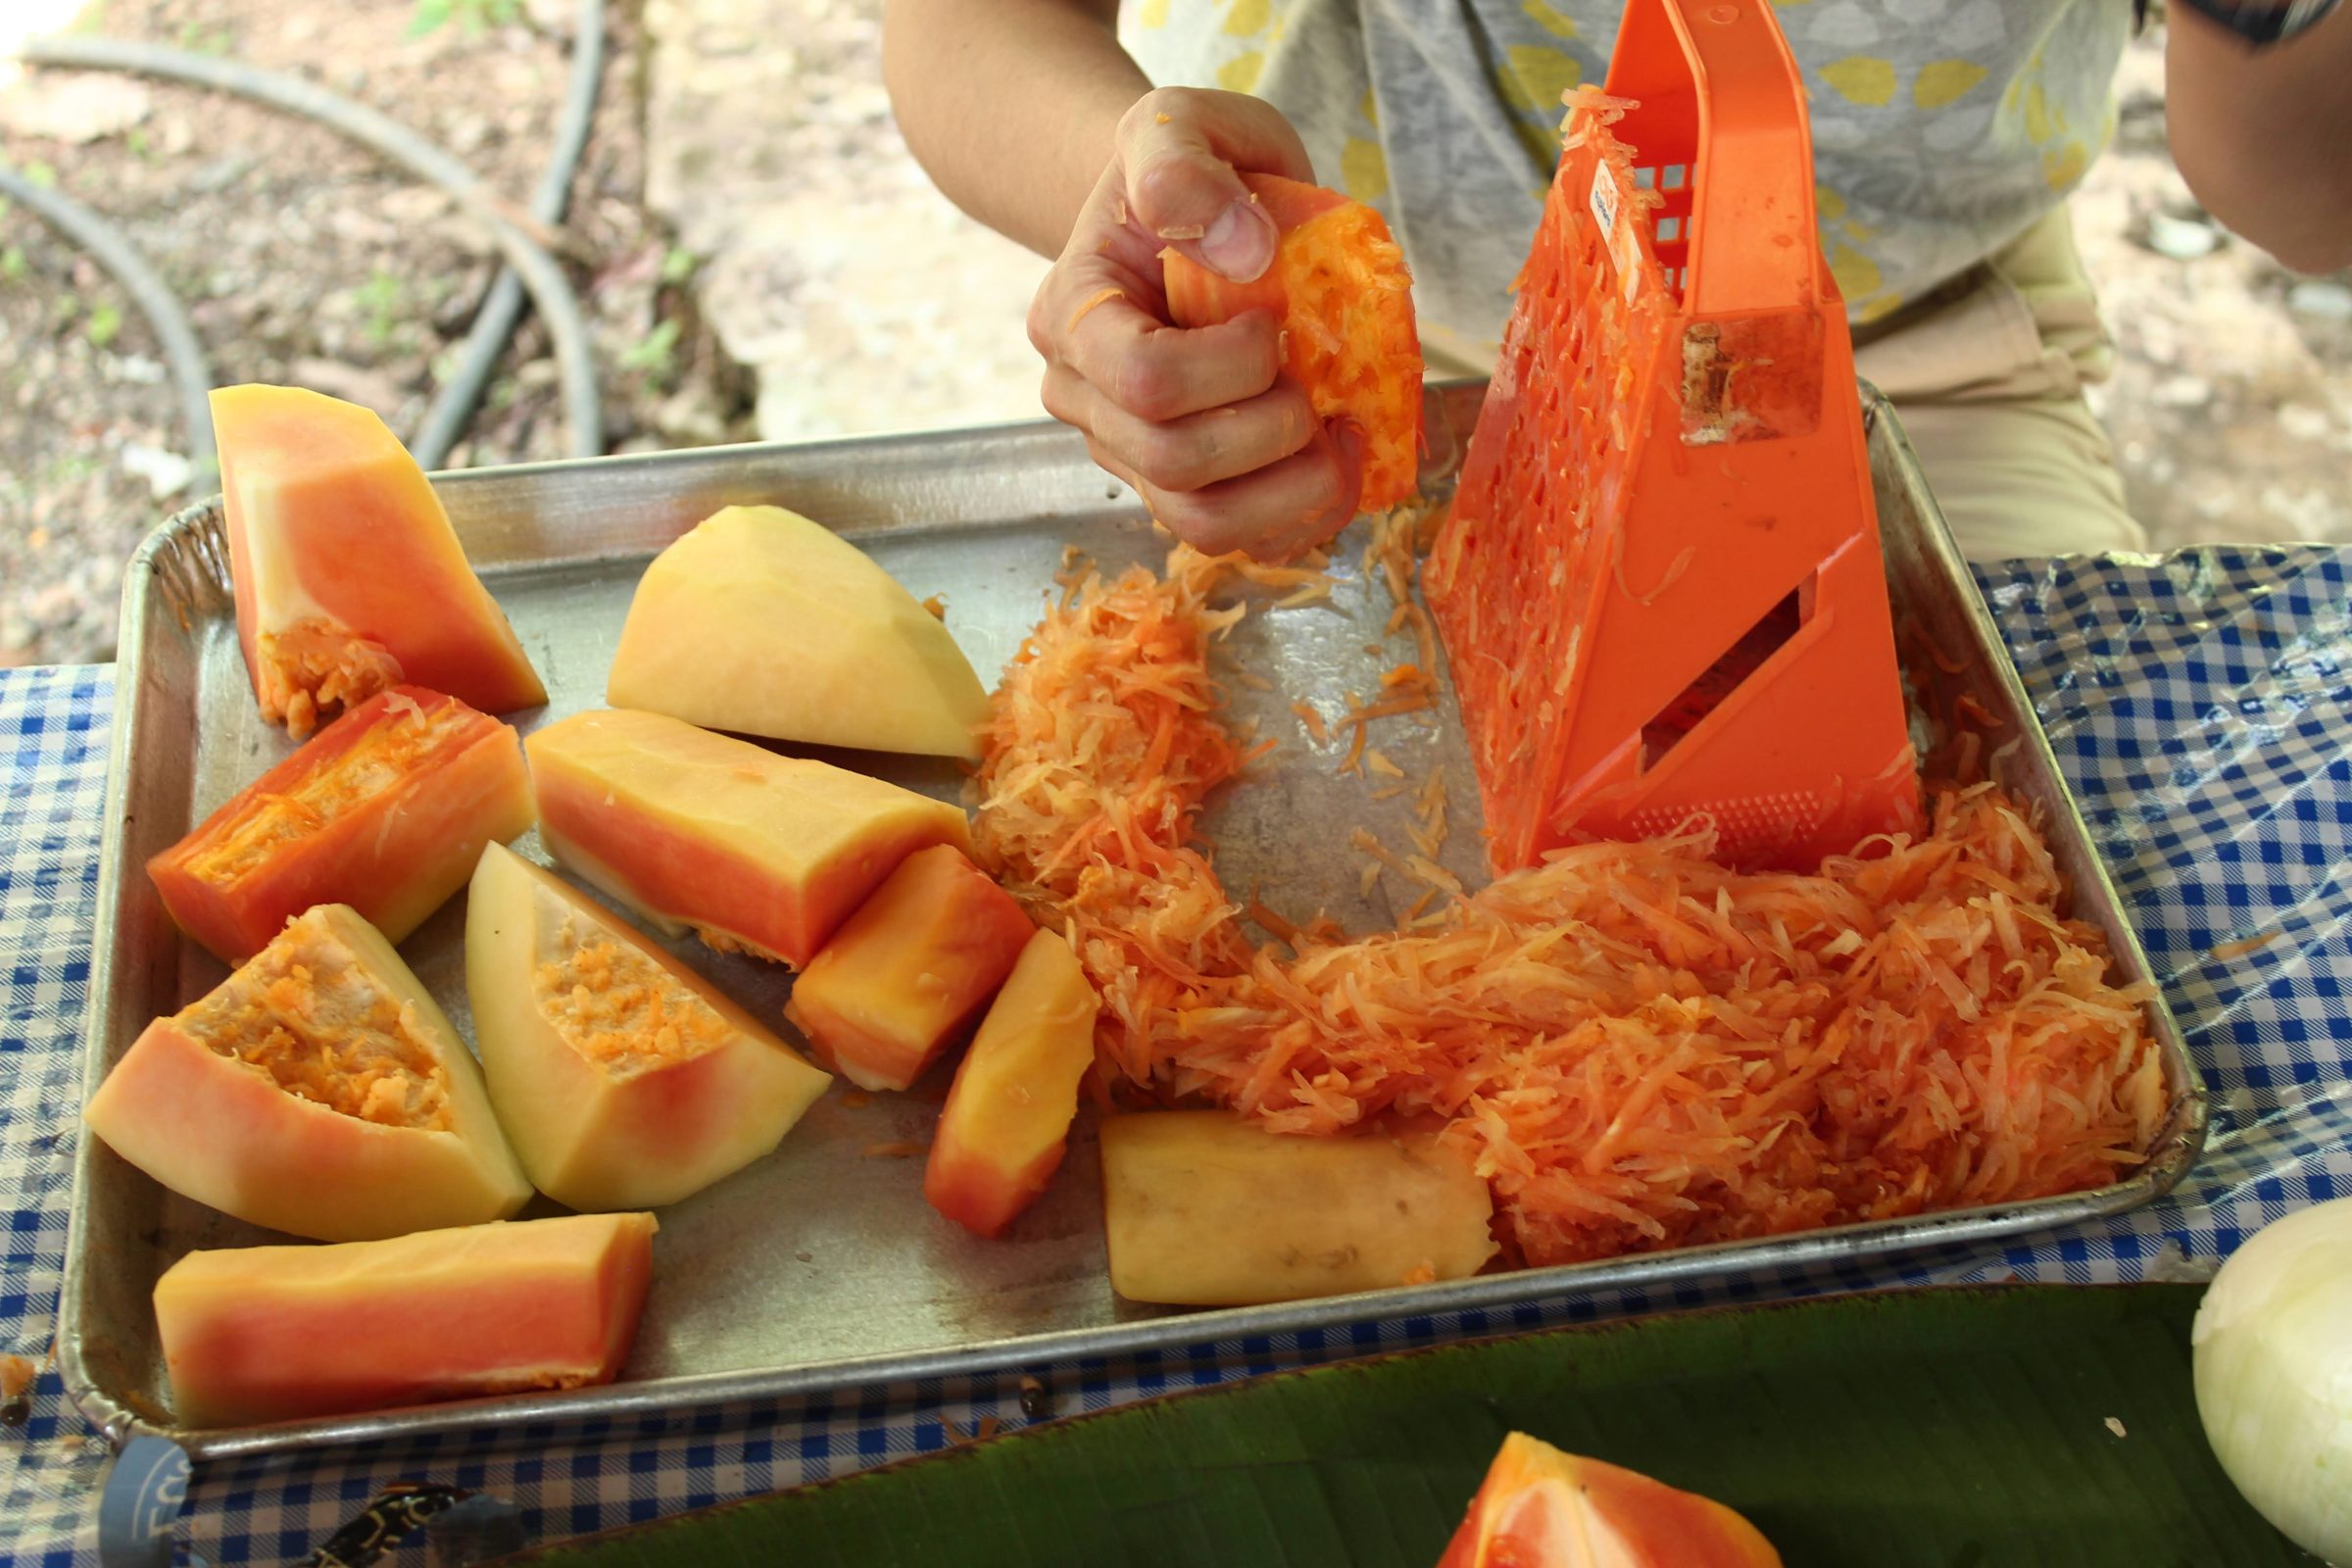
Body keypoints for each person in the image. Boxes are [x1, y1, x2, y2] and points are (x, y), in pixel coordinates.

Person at [883, 0, 2352, 562]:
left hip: (1907, 358)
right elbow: (972, 31)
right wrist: (1118, 174)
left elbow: (2304, 201)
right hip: (1354, 380)